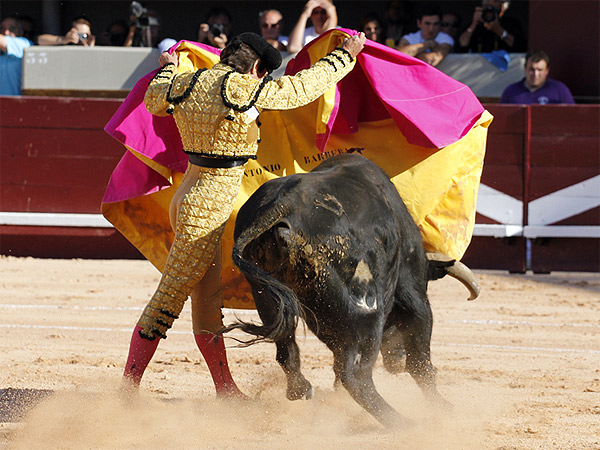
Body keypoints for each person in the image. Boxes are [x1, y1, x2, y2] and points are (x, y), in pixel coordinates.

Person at [122, 31, 366, 396]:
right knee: (169, 298)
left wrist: (167, 69)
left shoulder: (186, 81)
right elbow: (299, 90)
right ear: (256, 67)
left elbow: (156, 100)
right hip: (206, 206)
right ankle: (127, 391)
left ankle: (226, 390)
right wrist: (344, 56)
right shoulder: (240, 88)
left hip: (187, 194)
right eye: (263, 74)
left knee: (207, 301)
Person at [500, 51, 575, 105]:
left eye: (540, 70)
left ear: (547, 71)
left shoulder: (560, 90)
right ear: (525, 69)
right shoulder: (510, 91)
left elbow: (572, 117)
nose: (536, 74)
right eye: (532, 69)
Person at [459, 0, 525, 53]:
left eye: (495, 1)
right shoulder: (476, 24)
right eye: (486, 1)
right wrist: (473, 24)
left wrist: (499, 30)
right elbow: (461, 46)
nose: (489, 4)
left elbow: (519, 46)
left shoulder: (511, 23)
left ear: (503, 6)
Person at [0, 15, 34, 96]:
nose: (6, 32)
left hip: (15, 104)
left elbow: (3, 42)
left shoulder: (24, 44)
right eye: (2, 28)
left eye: (12, 29)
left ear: (20, 32)